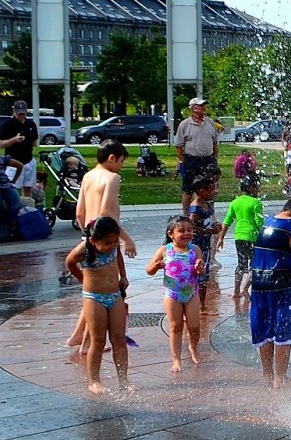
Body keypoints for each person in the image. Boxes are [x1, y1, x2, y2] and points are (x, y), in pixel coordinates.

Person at [66, 142, 136, 354]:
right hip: (105, 236)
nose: (122, 167)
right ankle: (87, 344)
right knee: (107, 288)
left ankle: (79, 337)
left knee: (93, 291)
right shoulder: (112, 178)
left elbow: (79, 212)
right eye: (122, 161)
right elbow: (105, 211)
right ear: (113, 157)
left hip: (90, 237)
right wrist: (125, 239)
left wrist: (88, 236)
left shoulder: (87, 176)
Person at [65, 216, 131, 394]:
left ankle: (123, 380)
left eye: (115, 241)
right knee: (98, 341)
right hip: (94, 298)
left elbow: (118, 256)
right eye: (108, 243)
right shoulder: (83, 250)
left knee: (119, 340)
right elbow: (69, 262)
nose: (112, 245)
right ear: (93, 240)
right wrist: (83, 279)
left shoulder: (113, 244)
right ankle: (94, 380)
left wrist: (123, 276)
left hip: (114, 295)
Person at [250, 197, 291, 389]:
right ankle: (280, 378)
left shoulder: (267, 220)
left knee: (264, 328)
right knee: (282, 328)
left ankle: (267, 374)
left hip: (259, 283)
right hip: (281, 284)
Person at [146, 216, 205, 373]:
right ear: (171, 234)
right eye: (181, 231)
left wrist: (200, 268)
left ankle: (193, 347)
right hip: (172, 294)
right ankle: (176, 359)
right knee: (175, 326)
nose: (187, 233)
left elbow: (202, 272)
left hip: (192, 292)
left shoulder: (195, 249)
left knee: (194, 326)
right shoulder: (165, 250)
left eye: (190, 230)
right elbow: (149, 270)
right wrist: (157, 266)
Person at [175, 97, 220, 217]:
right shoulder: (184, 125)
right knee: (188, 189)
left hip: (208, 159)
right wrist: (182, 161)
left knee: (208, 187)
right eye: (200, 106)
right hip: (191, 159)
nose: (203, 108)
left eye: (203, 106)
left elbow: (215, 143)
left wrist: (214, 160)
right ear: (193, 109)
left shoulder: (210, 122)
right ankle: (186, 215)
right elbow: (178, 146)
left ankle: (208, 212)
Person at [222, 177, 265, 299]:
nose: (258, 189)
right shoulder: (255, 202)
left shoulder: (235, 202)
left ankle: (235, 291)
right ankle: (245, 289)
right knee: (255, 264)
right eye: (257, 187)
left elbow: (227, 221)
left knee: (241, 264)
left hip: (239, 237)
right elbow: (259, 222)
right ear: (251, 188)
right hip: (252, 237)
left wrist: (221, 238)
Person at [0, 101, 41, 202]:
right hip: (13, 161)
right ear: (14, 111)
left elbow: (34, 142)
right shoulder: (7, 125)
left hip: (28, 160)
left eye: (23, 113)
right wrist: (14, 140)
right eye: (19, 113)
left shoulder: (31, 124)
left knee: (28, 188)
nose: (21, 115)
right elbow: (0, 144)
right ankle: (14, 206)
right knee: (12, 188)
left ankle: (27, 208)